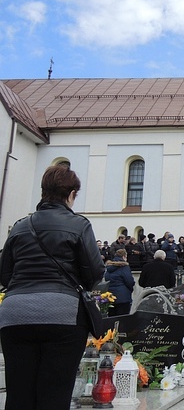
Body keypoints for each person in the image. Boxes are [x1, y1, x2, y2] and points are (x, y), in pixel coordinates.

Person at [0, 164, 105, 410]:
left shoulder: (20, 226)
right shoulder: (79, 224)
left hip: (16, 314)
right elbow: (94, 272)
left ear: (43, 192)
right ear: (71, 194)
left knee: (18, 393)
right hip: (62, 314)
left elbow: (5, 273)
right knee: (55, 392)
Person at [104, 248, 135, 316]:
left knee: (112, 319)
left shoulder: (109, 267)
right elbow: (129, 281)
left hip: (111, 297)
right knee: (123, 319)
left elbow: (106, 279)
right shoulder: (124, 266)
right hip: (123, 297)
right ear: (124, 256)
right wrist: (130, 290)